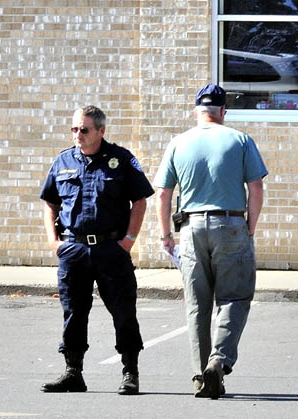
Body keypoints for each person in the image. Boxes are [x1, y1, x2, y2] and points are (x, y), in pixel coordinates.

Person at [154, 83, 268, 400]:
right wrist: (250, 227)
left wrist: (166, 234)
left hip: (190, 228)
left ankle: (199, 376)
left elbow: (163, 193)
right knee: (234, 298)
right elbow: (256, 188)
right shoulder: (240, 140)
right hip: (230, 223)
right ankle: (218, 360)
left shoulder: (179, 143)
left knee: (197, 306)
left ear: (197, 112)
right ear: (223, 112)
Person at [39, 105, 154, 395]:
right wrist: (54, 242)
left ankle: (130, 372)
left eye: (85, 129)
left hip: (110, 249)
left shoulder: (121, 159)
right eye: (74, 129)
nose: (78, 134)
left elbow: (139, 201)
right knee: (74, 312)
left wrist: (128, 240)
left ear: (101, 131)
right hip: (74, 249)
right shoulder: (64, 161)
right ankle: (73, 372)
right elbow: (49, 203)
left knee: (123, 311)